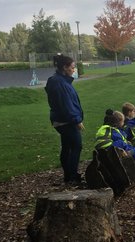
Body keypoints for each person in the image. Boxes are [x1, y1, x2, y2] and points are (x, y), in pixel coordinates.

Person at [45, 54, 84, 184]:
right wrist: (77, 120)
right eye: (72, 67)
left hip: (62, 120)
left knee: (67, 146)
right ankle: (72, 176)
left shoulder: (59, 80)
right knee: (76, 146)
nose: (74, 69)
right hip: (66, 121)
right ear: (65, 67)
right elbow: (66, 104)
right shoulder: (59, 83)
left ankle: (69, 176)